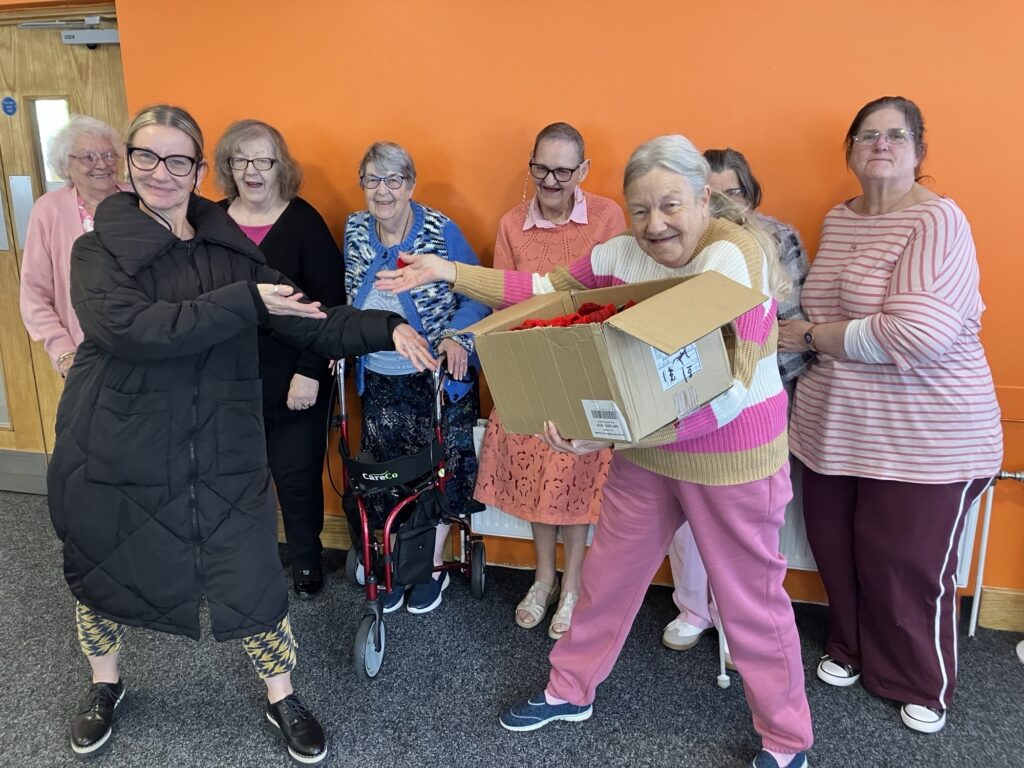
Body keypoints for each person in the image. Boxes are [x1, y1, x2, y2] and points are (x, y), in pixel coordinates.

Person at [377, 135, 813, 768]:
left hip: (730, 453)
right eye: (640, 209)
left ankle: (787, 740)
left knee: (751, 600)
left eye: (670, 205)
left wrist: (611, 434)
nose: (654, 224)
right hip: (648, 449)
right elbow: (544, 288)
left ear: (703, 199)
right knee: (606, 579)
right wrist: (447, 270)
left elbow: (728, 393)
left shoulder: (731, 258)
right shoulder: (620, 252)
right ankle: (569, 690)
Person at [47, 105, 434, 764]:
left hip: (221, 437)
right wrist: (245, 302)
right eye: (147, 157)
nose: (162, 172)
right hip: (120, 441)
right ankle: (103, 685)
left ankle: (281, 695)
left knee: (252, 572)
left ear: (200, 170)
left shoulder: (228, 250)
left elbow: (303, 316)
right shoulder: (97, 249)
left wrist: (379, 327)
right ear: (129, 163)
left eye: (178, 160)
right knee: (106, 568)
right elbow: (131, 330)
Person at [779, 96, 1003, 735]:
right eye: (867, 134)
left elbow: (915, 334)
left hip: (927, 438)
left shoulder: (939, 221)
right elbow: (843, 316)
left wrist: (812, 336)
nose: (881, 143)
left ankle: (918, 681)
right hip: (834, 434)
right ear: (850, 150)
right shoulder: (839, 218)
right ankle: (849, 648)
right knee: (837, 549)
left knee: (904, 564)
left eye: (896, 134)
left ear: (920, 150)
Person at [474, 122, 626, 639]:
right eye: (542, 168)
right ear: (531, 164)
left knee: (577, 479)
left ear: (583, 170)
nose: (552, 180)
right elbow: (502, 299)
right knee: (541, 474)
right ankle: (542, 580)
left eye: (564, 170)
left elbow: (615, 294)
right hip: (532, 365)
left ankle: (575, 585)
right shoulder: (511, 224)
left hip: (588, 369)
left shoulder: (608, 217)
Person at [662, 148, 812, 662]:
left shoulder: (774, 238)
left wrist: (746, 376)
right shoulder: (678, 243)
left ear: (751, 195)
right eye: (713, 192)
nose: (725, 202)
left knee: (741, 532)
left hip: (754, 402)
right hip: (686, 399)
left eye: (735, 192)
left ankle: (734, 620)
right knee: (684, 519)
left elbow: (790, 327)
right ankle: (692, 608)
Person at [344, 141, 490, 615]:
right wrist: (341, 341)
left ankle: (425, 567)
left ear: (410, 184)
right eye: (372, 180)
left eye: (394, 180)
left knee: (437, 472)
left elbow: (478, 292)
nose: (383, 191)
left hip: (437, 377)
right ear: (362, 184)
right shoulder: (355, 231)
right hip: (381, 378)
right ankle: (391, 561)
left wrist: (455, 337)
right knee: (385, 473)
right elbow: (348, 298)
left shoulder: (438, 229)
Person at [214, 120, 346, 598]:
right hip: (226, 381)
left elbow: (331, 305)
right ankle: (244, 563)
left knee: (295, 476)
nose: (252, 170)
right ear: (228, 167)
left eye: (263, 160)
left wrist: (310, 371)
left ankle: (307, 562)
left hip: (294, 377)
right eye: (240, 160)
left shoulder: (305, 222)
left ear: (280, 167)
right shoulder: (210, 222)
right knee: (233, 479)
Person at [19, 115, 128, 377]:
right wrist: (64, 353)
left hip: (140, 345)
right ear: (66, 165)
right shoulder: (49, 209)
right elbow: (34, 292)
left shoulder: (138, 200)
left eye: (109, 155)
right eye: (88, 157)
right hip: (83, 353)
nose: (102, 164)